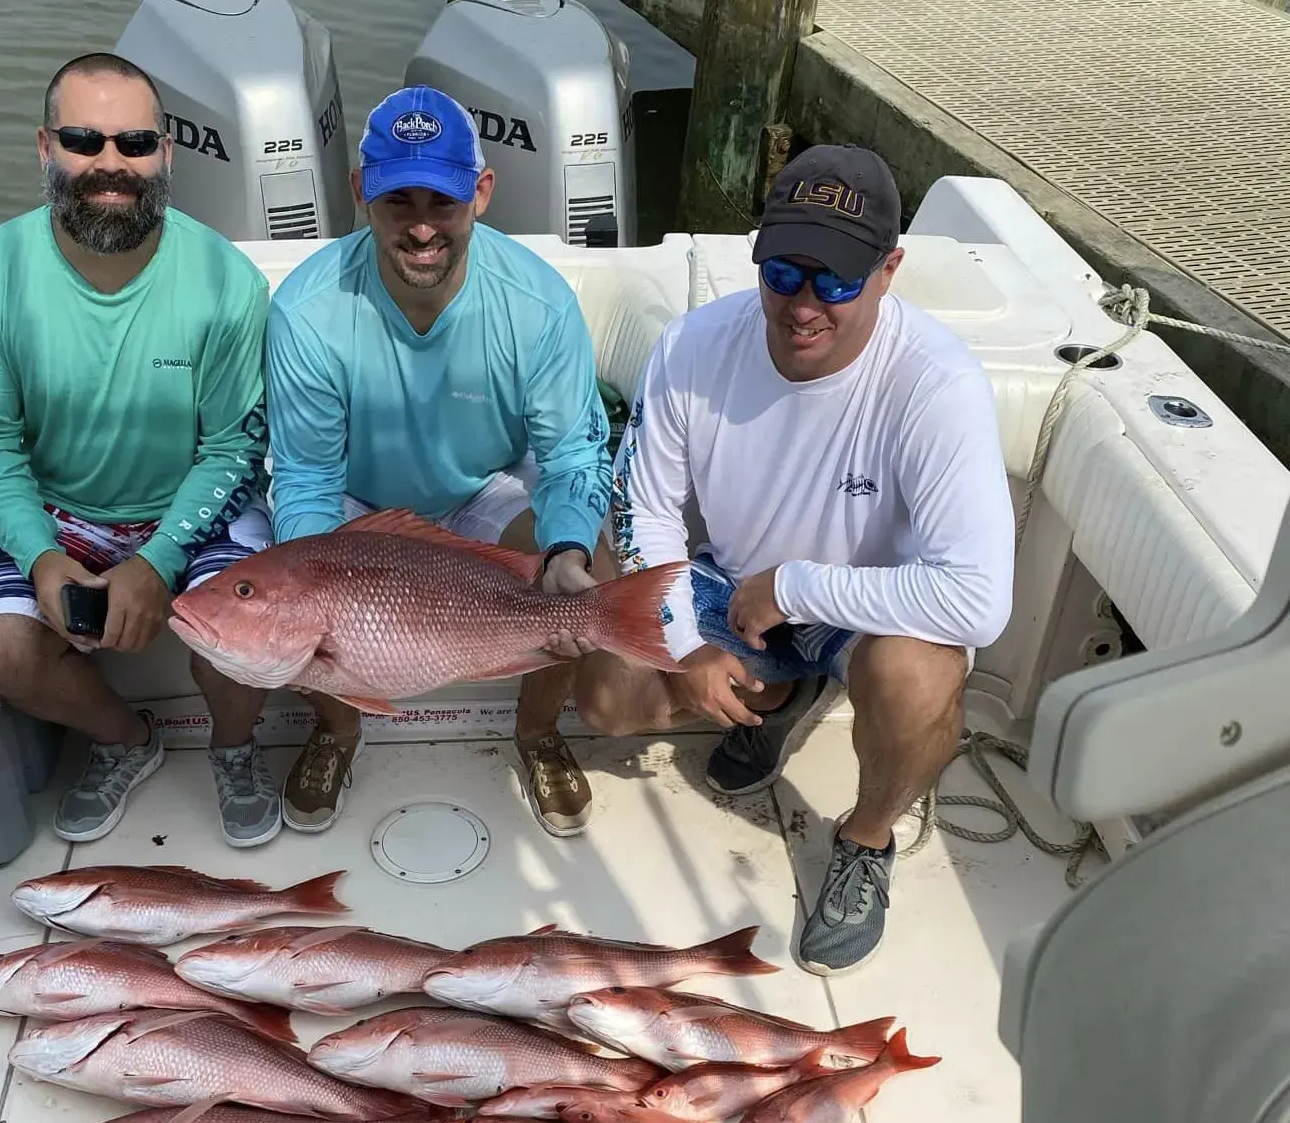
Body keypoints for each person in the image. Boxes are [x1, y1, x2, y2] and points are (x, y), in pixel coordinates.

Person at [577, 145, 1014, 974]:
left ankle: (866, 838)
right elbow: (641, 512)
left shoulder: (936, 384)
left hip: (865, 609)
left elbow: (980, 599)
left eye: (838, 282)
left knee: (921, 679)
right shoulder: (693, 347)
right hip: (735, 591)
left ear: (889, 269)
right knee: (606, 694)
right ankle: (775, 694)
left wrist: (799, 586)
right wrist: (689, 645)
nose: (804, 304)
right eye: (783, 272)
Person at [0, 51, 278, 847]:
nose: (110, 164)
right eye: (83, 140)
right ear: (44, 148)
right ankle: (128, 740)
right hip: (63, 509)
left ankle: (234, 748)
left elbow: (235, 443)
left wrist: (159, 560)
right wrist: (40, 557)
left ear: (167, 152)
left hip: (194, 503)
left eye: (134, 144)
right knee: (2, 650)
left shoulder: (227, 281)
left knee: (258, 630)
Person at [264, 85, 612, 837]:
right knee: (286, 590)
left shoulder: (540, 304)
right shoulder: (307, 310)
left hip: (482, 490)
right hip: (358, 501)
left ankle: (538, 730)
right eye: (399, 202)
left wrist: (568, 546)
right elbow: (306, 475)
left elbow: (570, 456)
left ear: (481, 193)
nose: (422, 227)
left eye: (442, 202)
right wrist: (311, 573)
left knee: (583, 569)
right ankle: (337, 729)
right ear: (361, 194)